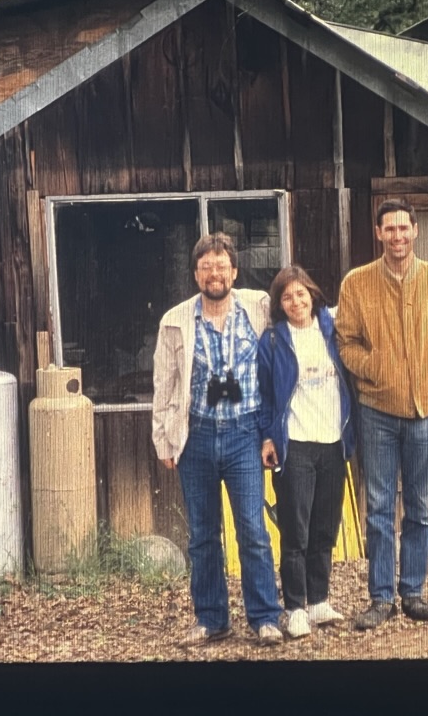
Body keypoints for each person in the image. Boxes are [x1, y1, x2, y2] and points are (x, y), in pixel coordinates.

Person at [335, 199, 428, 631]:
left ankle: (412, 591)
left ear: (416, 230)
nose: (397, 236)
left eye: (403, 228)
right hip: (377, 410)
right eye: (388, 229)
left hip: (425, 411)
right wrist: (379, 371)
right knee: (378, 506)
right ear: (378, 234)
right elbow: (346, 343)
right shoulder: (357, 284)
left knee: (419, 506)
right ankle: (380, 597)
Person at [152, 232, 284, 647]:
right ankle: (212, 619)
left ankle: (265, 616)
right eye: (206, 267)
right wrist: (165, 441)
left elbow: (301, 320)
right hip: (197, 437)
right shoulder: (175, 321)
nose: (215, 273)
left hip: (246, 434)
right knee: (203, 534)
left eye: (221, 266)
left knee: (252, 529)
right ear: (196, 274)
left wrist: (271, 434)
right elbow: (164, 384)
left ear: (235, 271)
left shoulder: (258, 307)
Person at [258, 266, 356, 639]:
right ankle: (295, 608)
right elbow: (265, 396)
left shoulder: (332, 329)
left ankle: (319, 601)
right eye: (287, 297)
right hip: (294, 444)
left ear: (313, 295)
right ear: (279, 305)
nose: (296, 302)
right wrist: (268, 437)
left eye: (301, 294)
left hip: (333, 442)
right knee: (295, 532)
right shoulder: (272, 341)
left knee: (325, 528)